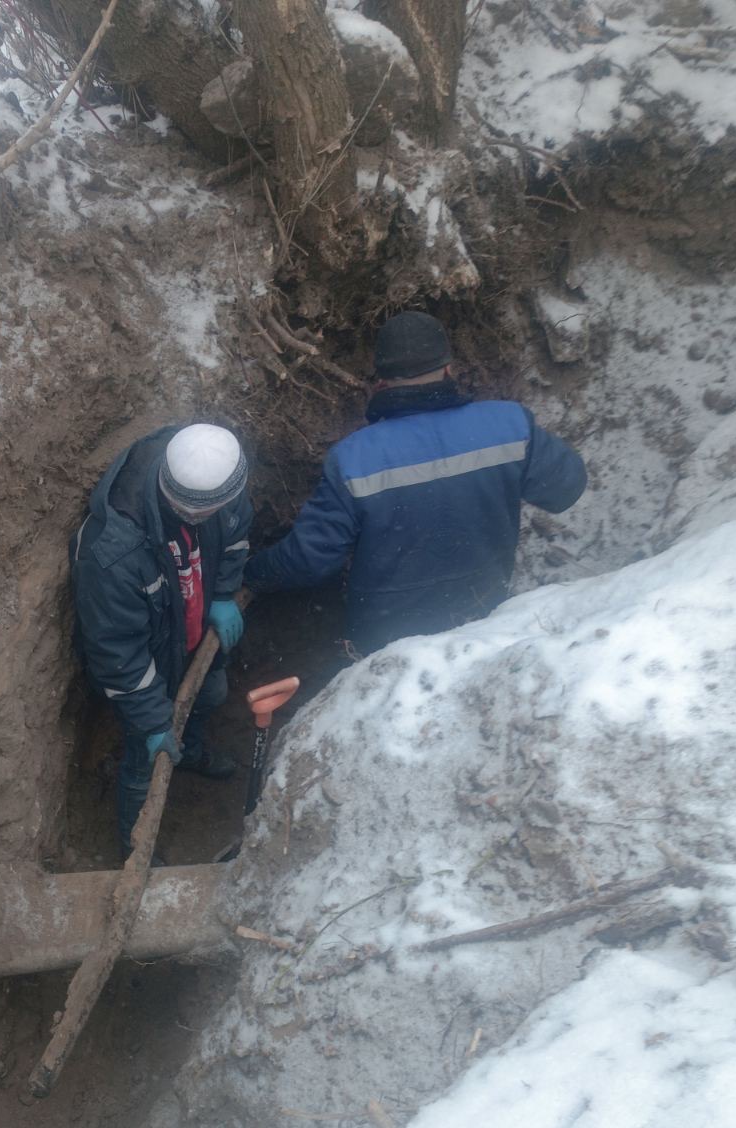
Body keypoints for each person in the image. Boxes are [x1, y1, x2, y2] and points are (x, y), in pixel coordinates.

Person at [244, 311, 587, 654]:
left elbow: (310, 561)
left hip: (390, 647)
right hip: (483, 623)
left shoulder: (353, 459)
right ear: (449, 369)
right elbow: (566, 489)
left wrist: (251, 574)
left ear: (381, 381)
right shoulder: (510, 425)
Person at [71, 422, 252, 855]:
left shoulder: (218, 476)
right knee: (146, 761)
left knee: (212, 693)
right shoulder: (113, 556)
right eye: (208, 512)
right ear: (189, 510)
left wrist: (222, 593)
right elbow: (117, 652)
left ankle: (190, 750)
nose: (222, 510)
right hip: (148, 663)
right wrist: (153, 720)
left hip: (192, 638)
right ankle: (136, 849)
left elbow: (236, 531)